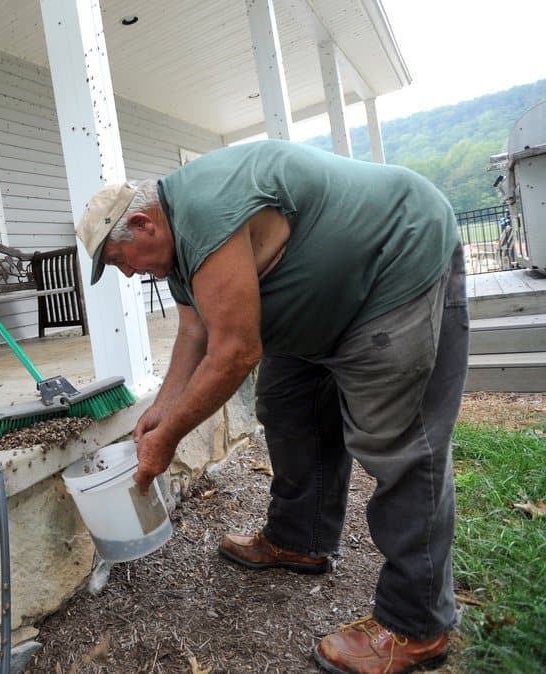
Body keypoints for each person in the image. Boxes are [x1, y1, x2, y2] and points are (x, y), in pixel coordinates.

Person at [75, 140, 467, 674]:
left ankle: (417, 626)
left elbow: (236, 350)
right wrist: (162, 409)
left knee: (397, 445)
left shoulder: (205, 211)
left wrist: (168, 440)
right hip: (322, 311)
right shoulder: (176, 249)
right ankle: (300, 540)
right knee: (286, 402)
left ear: (144, 225)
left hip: (394, 265)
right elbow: (196, 330)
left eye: (120, 261)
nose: (125, 274)